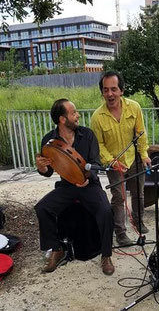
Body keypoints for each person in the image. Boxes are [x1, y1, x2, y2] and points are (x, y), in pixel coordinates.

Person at [34, 99, 114, 275]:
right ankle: (56, 250)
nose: (77, 115)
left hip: (89, 184)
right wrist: (42, 167)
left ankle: (106, 255)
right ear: (62, 119)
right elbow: (47, 172)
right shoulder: (49, 140)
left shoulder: (87, 135)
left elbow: (95, 163)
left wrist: (87, 178)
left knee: (106, 210)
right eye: (73, 113)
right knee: (42, 208)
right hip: (67, 185)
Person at [91, 71, 151, 246]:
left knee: (139, 194)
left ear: (121, 90)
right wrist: (111, 161)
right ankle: (120, 233)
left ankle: (139, 222)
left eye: (114, 89)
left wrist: (144, 154)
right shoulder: (97, 117)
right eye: (106, 90)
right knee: (118, 197)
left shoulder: (134, 107)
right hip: (113, 163)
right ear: (102, 92)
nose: (110, 94)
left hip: (134, 159)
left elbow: (140, 133)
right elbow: (98, 145)